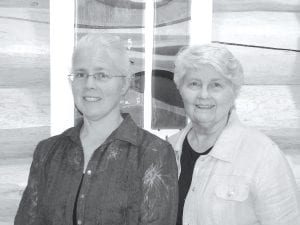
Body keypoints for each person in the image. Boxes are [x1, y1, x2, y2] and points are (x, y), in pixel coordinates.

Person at [15, 33, 178, 225]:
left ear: (124, 83)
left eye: (102, 75)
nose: (89, 85)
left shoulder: (154, 154)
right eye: (81, 74)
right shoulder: (47, 152)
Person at [168, 44, 300, 225]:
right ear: (180, 90)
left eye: (216, 85)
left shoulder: (263, 155)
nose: (204, 95)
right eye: (194, 84)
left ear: (234, 92)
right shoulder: (166, 150)